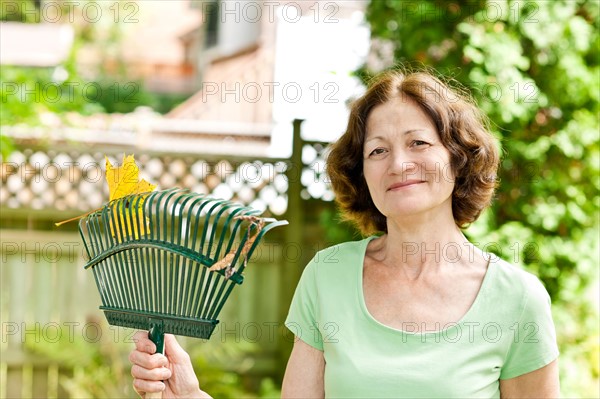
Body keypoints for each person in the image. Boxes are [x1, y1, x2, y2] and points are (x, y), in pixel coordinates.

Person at [129, 68, 560, 398]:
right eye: (378, 150)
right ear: (362, 173)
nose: (398, 164)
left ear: (458, 157)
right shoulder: (328, 275)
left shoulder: (517, 299)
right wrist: (189, 394)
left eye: (419, 143)